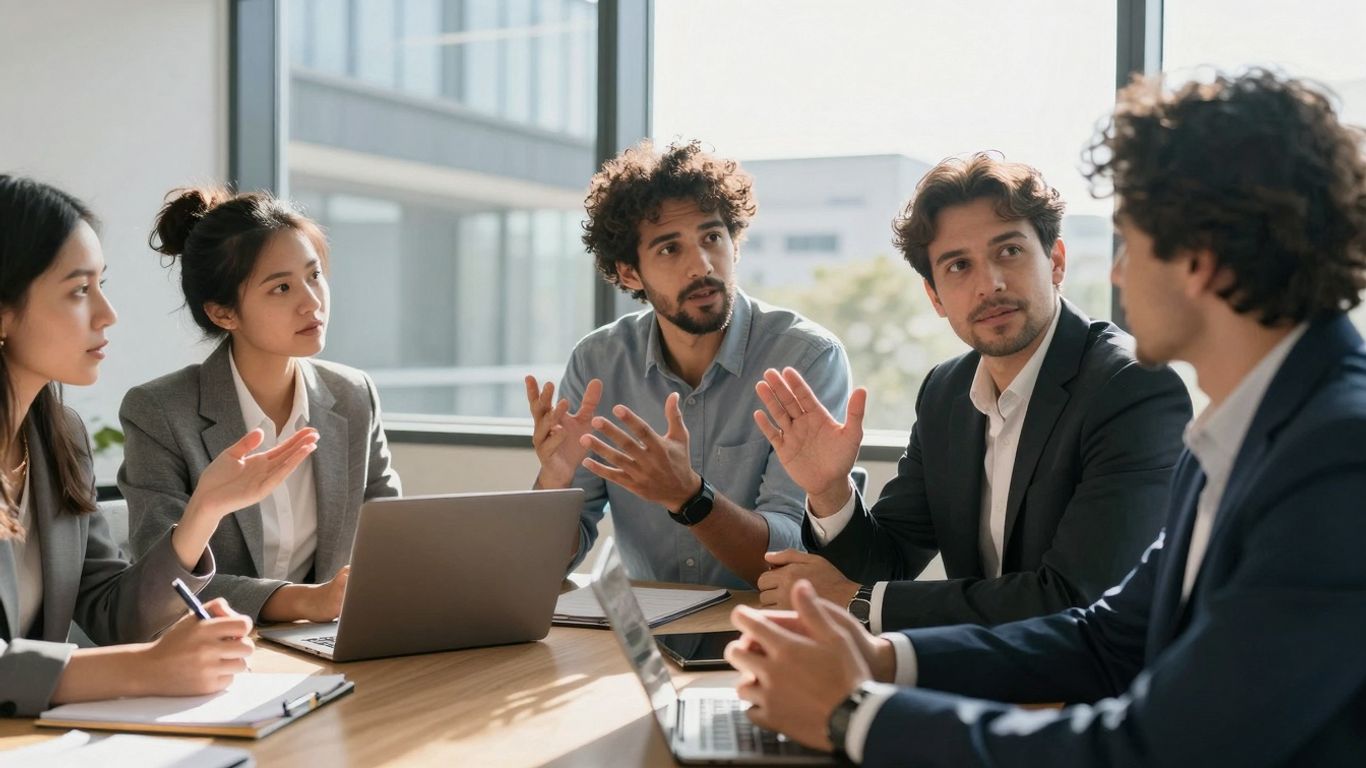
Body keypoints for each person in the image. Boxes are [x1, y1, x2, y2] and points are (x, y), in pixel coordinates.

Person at [726, 69, 1366, 766]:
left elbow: (1157, 748)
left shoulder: (1339, 455)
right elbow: (1103, 637)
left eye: (1130, 240)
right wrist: (882, 661)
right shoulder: (1245, 434)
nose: (1117, 274)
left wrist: (857, 717)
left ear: (1200, 257)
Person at [753, 154, 1191, 631]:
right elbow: (889, 563)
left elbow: (1076, 598)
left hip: (1098, 689)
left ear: (1057, 261)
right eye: (959, 266)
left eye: (1009, 252)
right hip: (985, 673)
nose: (990, 285)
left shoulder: (1130, 387)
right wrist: (828, 489)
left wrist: (859, 602)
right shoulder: (946, 392)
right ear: (935, 297)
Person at [0, 175, 315, 715]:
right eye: (79, 290)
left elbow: (110, 613)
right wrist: (144, 667)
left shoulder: (58, 439)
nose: (107, 313)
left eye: (102, 284)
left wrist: (205, 510)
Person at [525, 140, 851, 588]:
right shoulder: (598, 362)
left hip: (764, 627)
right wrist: (553, 484)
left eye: (712, 238)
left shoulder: (805, 358)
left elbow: (790, 556)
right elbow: (546, 566)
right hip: (646, 635)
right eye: (668, 249)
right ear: (628, 272)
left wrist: (689, 496)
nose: (701, 265)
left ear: (734, 245)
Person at [120, 186, 401, 623]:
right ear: (223, 314)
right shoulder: (159, 411)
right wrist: (304, 601)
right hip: (215, 654)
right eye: (281, 287)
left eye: (314, 275)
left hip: (330, 643)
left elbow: (391, 535)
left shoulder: (353, 394)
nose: (312, 302)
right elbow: (161, 580)